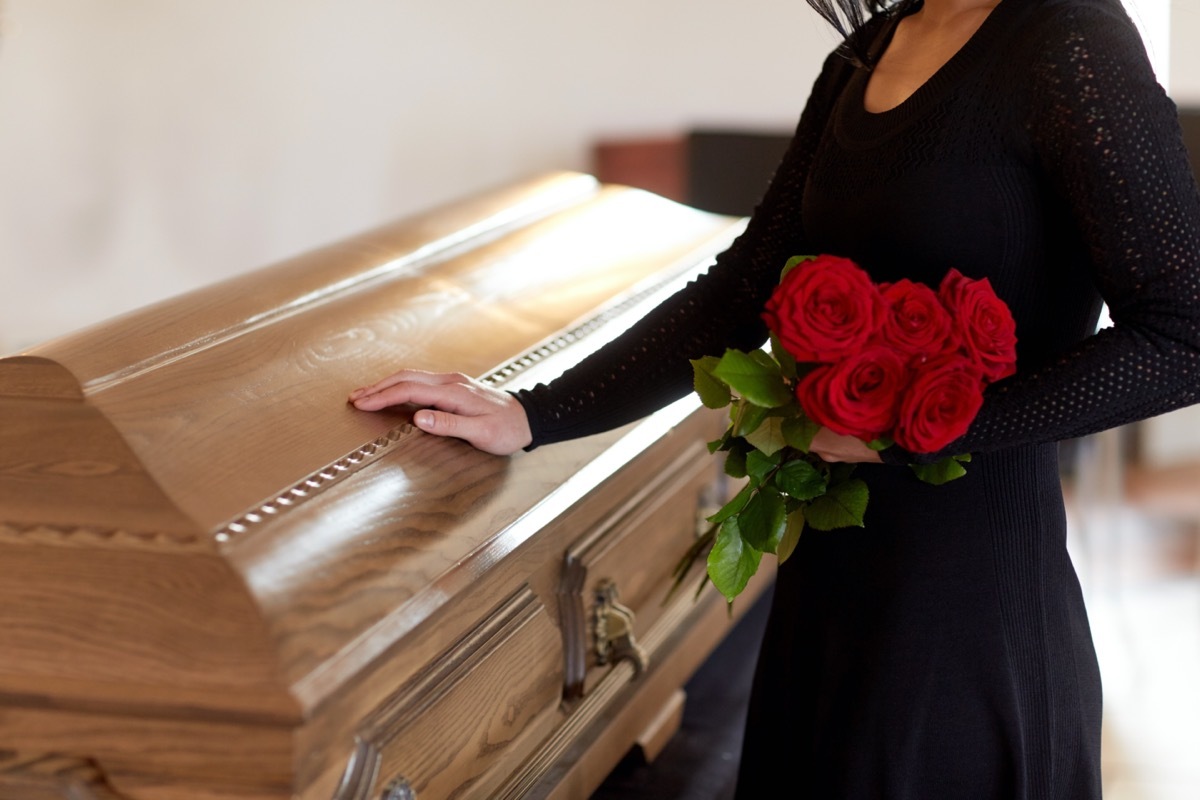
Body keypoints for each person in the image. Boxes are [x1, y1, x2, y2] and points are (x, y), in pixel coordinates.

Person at [349, 0, 1200, 796]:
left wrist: (914, 432)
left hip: (968, 607)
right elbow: (742, 290)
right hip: (824, 593)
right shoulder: (868, 53)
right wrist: (531, 412)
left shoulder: (1071, 44)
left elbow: (1183, 335)